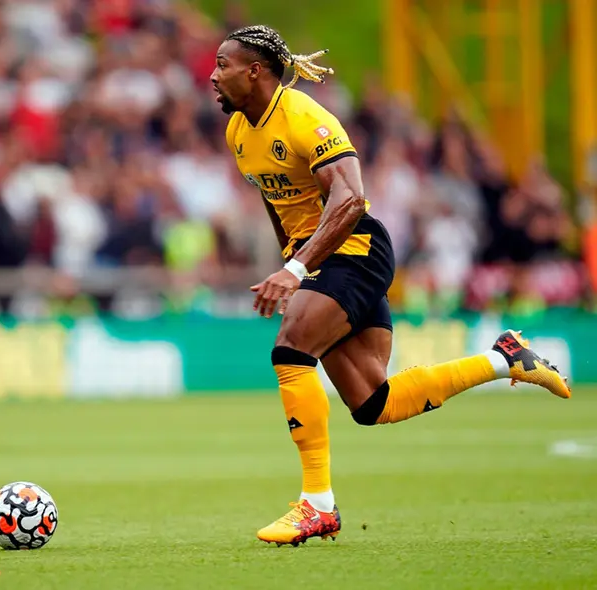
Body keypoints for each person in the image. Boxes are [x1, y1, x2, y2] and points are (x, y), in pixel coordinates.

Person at [211, 25, 570, 547]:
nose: (213, 76)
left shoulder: (306, 119)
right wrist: (291, 259)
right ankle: (504, 359)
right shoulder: (238, 132)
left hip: (354, 249)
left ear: (255, 71)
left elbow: (350, 199)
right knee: (372, 402)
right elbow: (276, 198)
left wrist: (296, 270)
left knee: (291, 349)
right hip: (316, 259)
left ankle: (317, 506)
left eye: (222, 65)